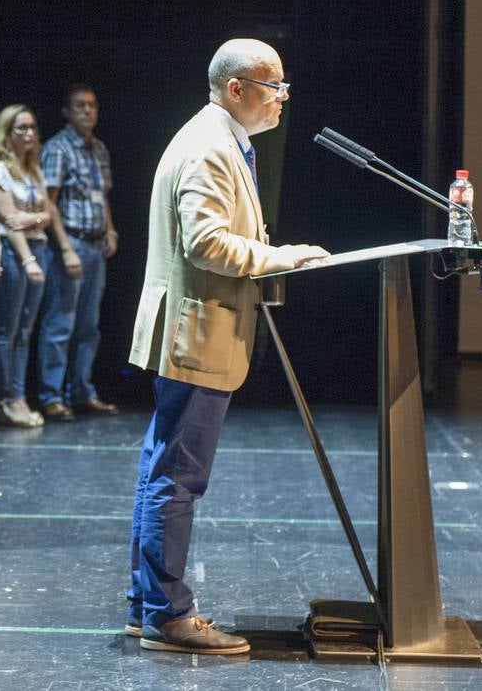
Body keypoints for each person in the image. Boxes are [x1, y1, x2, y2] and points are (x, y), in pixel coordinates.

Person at [127, 39, 328, 654]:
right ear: (236, 89)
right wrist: (280, 256)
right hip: (197, 331)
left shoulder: (220, 139)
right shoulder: (211, 147)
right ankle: (168, 616)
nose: (282, 100)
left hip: (195, 329)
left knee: (164, 470)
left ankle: (149, 605)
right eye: (273, 87)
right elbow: (206, 244)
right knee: (177, 477)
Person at [0, 105, 81, 427]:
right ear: (6, 133)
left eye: (31, 128)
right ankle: (7, 399)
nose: (28, 134)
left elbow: (48, 214)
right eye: (20, 128)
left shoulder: (32, 169)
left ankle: (20, 397)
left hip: (39, 248)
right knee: (6, 331)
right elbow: (10, 222)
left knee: (25, 332)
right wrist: (26, 260)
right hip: (15, 253)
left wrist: (34, 218)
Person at [37, 83, 120, 419]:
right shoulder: (58, 148)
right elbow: (49, 202)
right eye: (80, 106)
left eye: (92, 105)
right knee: (60, 323)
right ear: (67, 112)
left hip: (96, 244)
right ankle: (51, 395)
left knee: (89, 325)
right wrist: (65, 248)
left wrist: (111, 229)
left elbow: (102, 196)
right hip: (71, 243)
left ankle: (82, 391)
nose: (88, 111)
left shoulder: (98, 148)